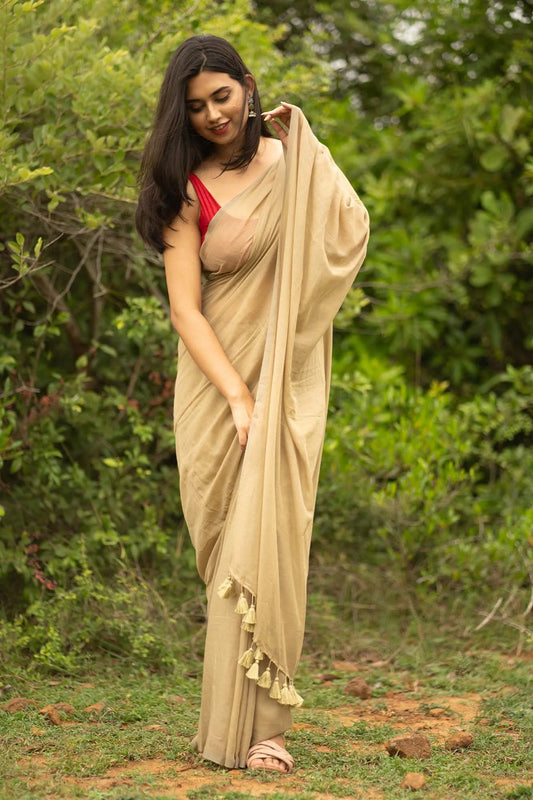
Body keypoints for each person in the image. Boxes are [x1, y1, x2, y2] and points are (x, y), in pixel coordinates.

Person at [136, 33, 369, 774]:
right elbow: (184, 311)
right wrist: (238, 397)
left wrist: (303, 142)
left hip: (288, 378)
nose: (212, 115)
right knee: (224, 549)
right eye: (196, 106)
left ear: (247, 85)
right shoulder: (185, 190)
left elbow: (346, 232)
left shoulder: (295, 164)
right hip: (215, 391)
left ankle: (267, 729)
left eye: (222, 96)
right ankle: (228, 722)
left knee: (275, 541)